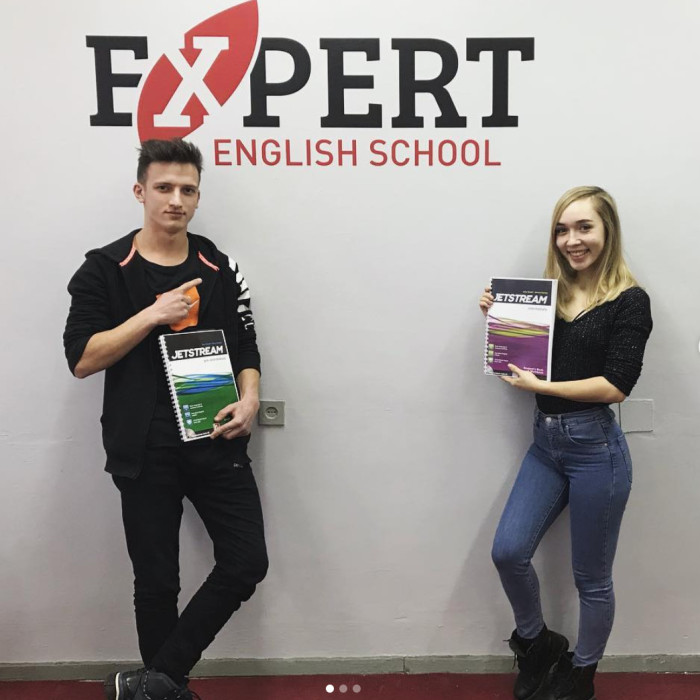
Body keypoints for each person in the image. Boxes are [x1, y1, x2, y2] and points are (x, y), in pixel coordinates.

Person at [63, 139, 268, 700]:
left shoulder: (218, 265)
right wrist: (152, 314)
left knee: (246, 562)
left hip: (216, 437)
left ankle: (156, 682)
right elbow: (82, 359)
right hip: (143, 449)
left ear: (198, 197)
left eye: (187, 189)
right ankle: (164, 691)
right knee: (157, 583)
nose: (176, 199)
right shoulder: (104, 268)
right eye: (164, 188)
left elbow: (246, 347)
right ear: (140, 192)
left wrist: (250, 398)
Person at [479, 186, 652, 700]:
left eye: (584, 227)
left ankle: (582, 673)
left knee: (591, 578)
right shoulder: (546, 295)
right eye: (562, 229)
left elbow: (616, 385)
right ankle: (537, 644)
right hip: (546, 445)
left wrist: (544, 387)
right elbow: (522, 357)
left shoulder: (630, 301)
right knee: (508, 551)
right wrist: (499, 321)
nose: (571, 240)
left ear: (607, 230)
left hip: (596, 450)